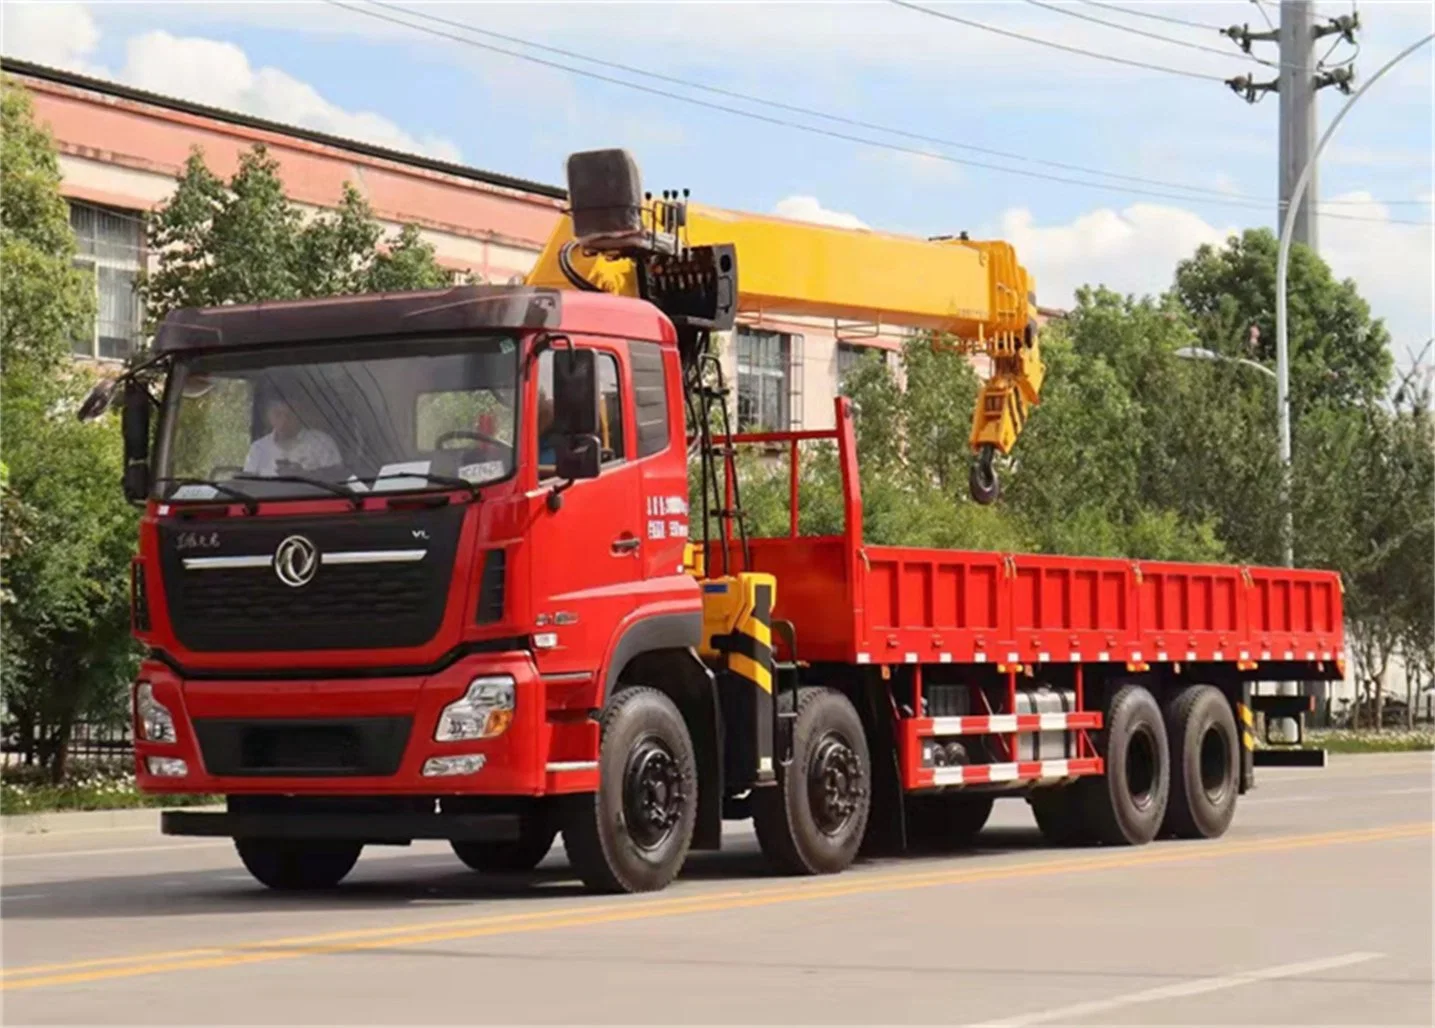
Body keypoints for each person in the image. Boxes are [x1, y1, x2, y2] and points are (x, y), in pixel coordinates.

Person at [243, 395, 340, 476]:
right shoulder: (259, 448)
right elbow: (249, 485)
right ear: (269, 416)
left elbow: (336, 478)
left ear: (299, 415)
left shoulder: (322, 442)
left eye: (290, 415)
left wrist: (305, 475)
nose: (284, 421)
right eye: (278, 414)